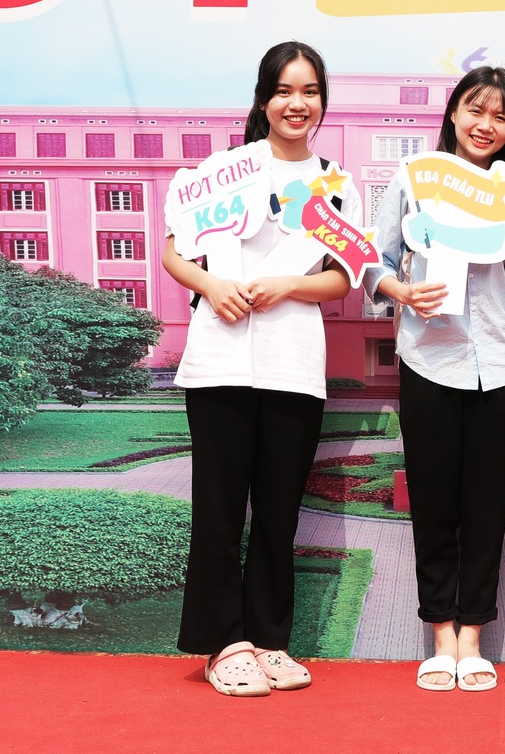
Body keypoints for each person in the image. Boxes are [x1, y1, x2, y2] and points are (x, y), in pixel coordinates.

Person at [164, 42, 366, 698]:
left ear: (322, 101)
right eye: (283, 90)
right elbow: (173, 252)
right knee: (219, 508)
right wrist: (210, 284)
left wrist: (287, 285)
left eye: (309, 91)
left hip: (293, 362)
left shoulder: (336, 183)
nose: (296, 103)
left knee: (279, 511)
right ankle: (224, 643)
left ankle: (270, 639)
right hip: (219, 360)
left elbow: (342, 278)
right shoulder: (221, 173)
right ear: (263, 99)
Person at [362, 67, 505, 694]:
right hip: (429, 360)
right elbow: (373, 261)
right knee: (435, 504)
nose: (485, 124)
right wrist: (402, 292)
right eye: (475, 110)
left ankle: (474, 638)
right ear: (453, 114)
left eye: (500, 115)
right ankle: (441, 635)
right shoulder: (413, 179)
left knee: (486, 508)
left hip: (497, 364)